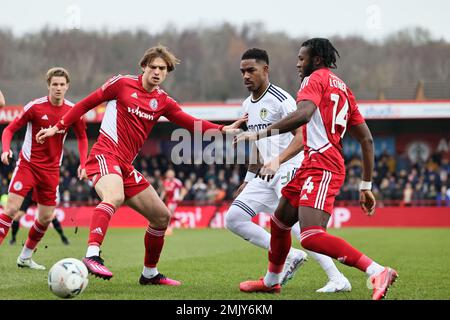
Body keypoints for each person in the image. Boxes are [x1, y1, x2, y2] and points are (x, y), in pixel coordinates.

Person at [36, 45, 246, 285]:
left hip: (126, 165)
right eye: (153, 67)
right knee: (113, 197)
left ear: (167, 72)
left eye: (163, 69)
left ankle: (149, 274)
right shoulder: (121, 84)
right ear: (144, 66)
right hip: (105, 154)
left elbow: (190, 121)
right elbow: (85, 104)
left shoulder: (163, 101)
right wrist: (57, 126)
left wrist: (222, 129)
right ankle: (92, 255)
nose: (157, 72)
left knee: (161, 217)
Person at [236, 38, 397, 300]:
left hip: (323, 164)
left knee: (310, 236)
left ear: (317, 60)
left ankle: (377, 271)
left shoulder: (313, 80)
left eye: (302, 59)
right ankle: (271, 281)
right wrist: (366, 186)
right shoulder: (343, 88)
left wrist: (260, 134)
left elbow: (303, 114)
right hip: (312, 163)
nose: (298, 64)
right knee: (279, 222)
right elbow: (366, 139)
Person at [225, 48, 351, 292]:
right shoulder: (246, 105)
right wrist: (250, 177)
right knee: (234, 218)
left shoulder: (281, 99)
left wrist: (279, 160)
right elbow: (258, 144)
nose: (246, 76)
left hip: (290, 167)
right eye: (242, 72)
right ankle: (291, 255)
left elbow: (301, 138)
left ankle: (338, 279)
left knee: (301, 229)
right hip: (266, 174)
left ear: (265, 70)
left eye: (251, 70)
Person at [0, 67, 88, 270]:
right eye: (54, 84)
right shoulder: (35, 107)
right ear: (48, 86)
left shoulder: (73, 111)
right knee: (11, 209)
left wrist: (83, 163)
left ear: (67, 87)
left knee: (46, 217)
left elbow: (83, 137)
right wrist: (5, 150)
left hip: (51, 170)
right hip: (28, 165)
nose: (58, 88)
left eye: (62, 84)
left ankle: (25, 257)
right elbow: (10, 129)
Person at [161, 169, 183, 235]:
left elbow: (183, 189)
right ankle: (181, 220)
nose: (170, 175)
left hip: (174, 200)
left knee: (169, 212)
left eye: (171, 174)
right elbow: (164, 191)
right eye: (169, 174)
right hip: (168, 200)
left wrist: (181, 196)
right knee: (169, 214)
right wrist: (161, 198)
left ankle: (169, 228)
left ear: (173, 175)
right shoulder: (165, 182)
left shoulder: (177, 181)